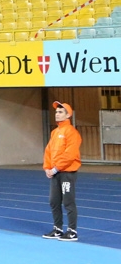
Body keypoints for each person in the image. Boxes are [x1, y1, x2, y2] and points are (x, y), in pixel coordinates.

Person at [42, 101, 82, 241]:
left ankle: (72, 231)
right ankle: (58, 229)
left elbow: (70, 154)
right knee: (54, 201)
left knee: (68, 202)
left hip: (66, 173)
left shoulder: (72, 132)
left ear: (68, 115)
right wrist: (47, 167)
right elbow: (49, 151)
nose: (57, 114)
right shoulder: (55, 132)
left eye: (60, 112)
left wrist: (56, 168)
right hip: (55, 172)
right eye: (56, 112)